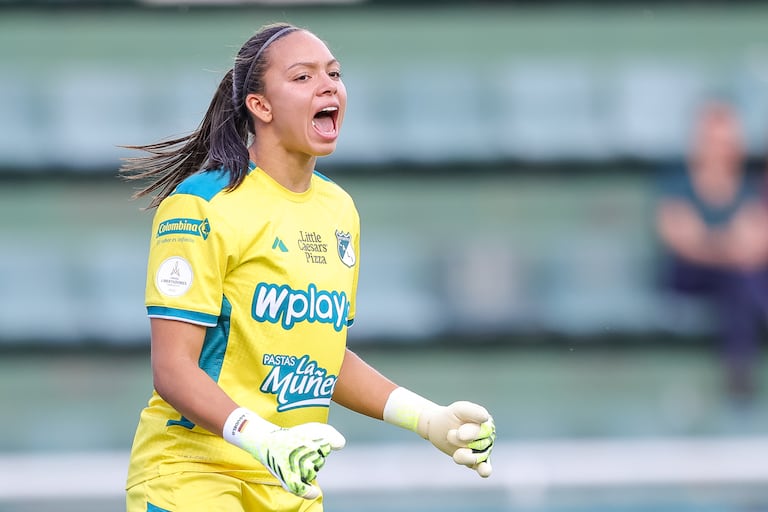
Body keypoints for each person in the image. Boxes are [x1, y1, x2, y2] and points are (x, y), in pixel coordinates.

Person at [119, 22, 496, 512]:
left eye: (334, 73)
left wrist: (427, 419)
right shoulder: (202, 205)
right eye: (302, 77)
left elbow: (321, 353)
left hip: (289, 480)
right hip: (194, 476)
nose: (328, 85)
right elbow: (172, 369)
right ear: (260, 106)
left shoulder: (339, 209)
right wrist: (259, 436)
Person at [655, 100, 768, 400]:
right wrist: (730, 245)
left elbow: (757, 245)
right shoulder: (677, 183)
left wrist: (709, 241)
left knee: (740, 285)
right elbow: (680, 242)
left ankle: (738, 377)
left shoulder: (749, 188)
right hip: (686, 278)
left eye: (727, 141)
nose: (721, 149)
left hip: (732, 282)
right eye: (714, 141)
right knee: (743, 279)